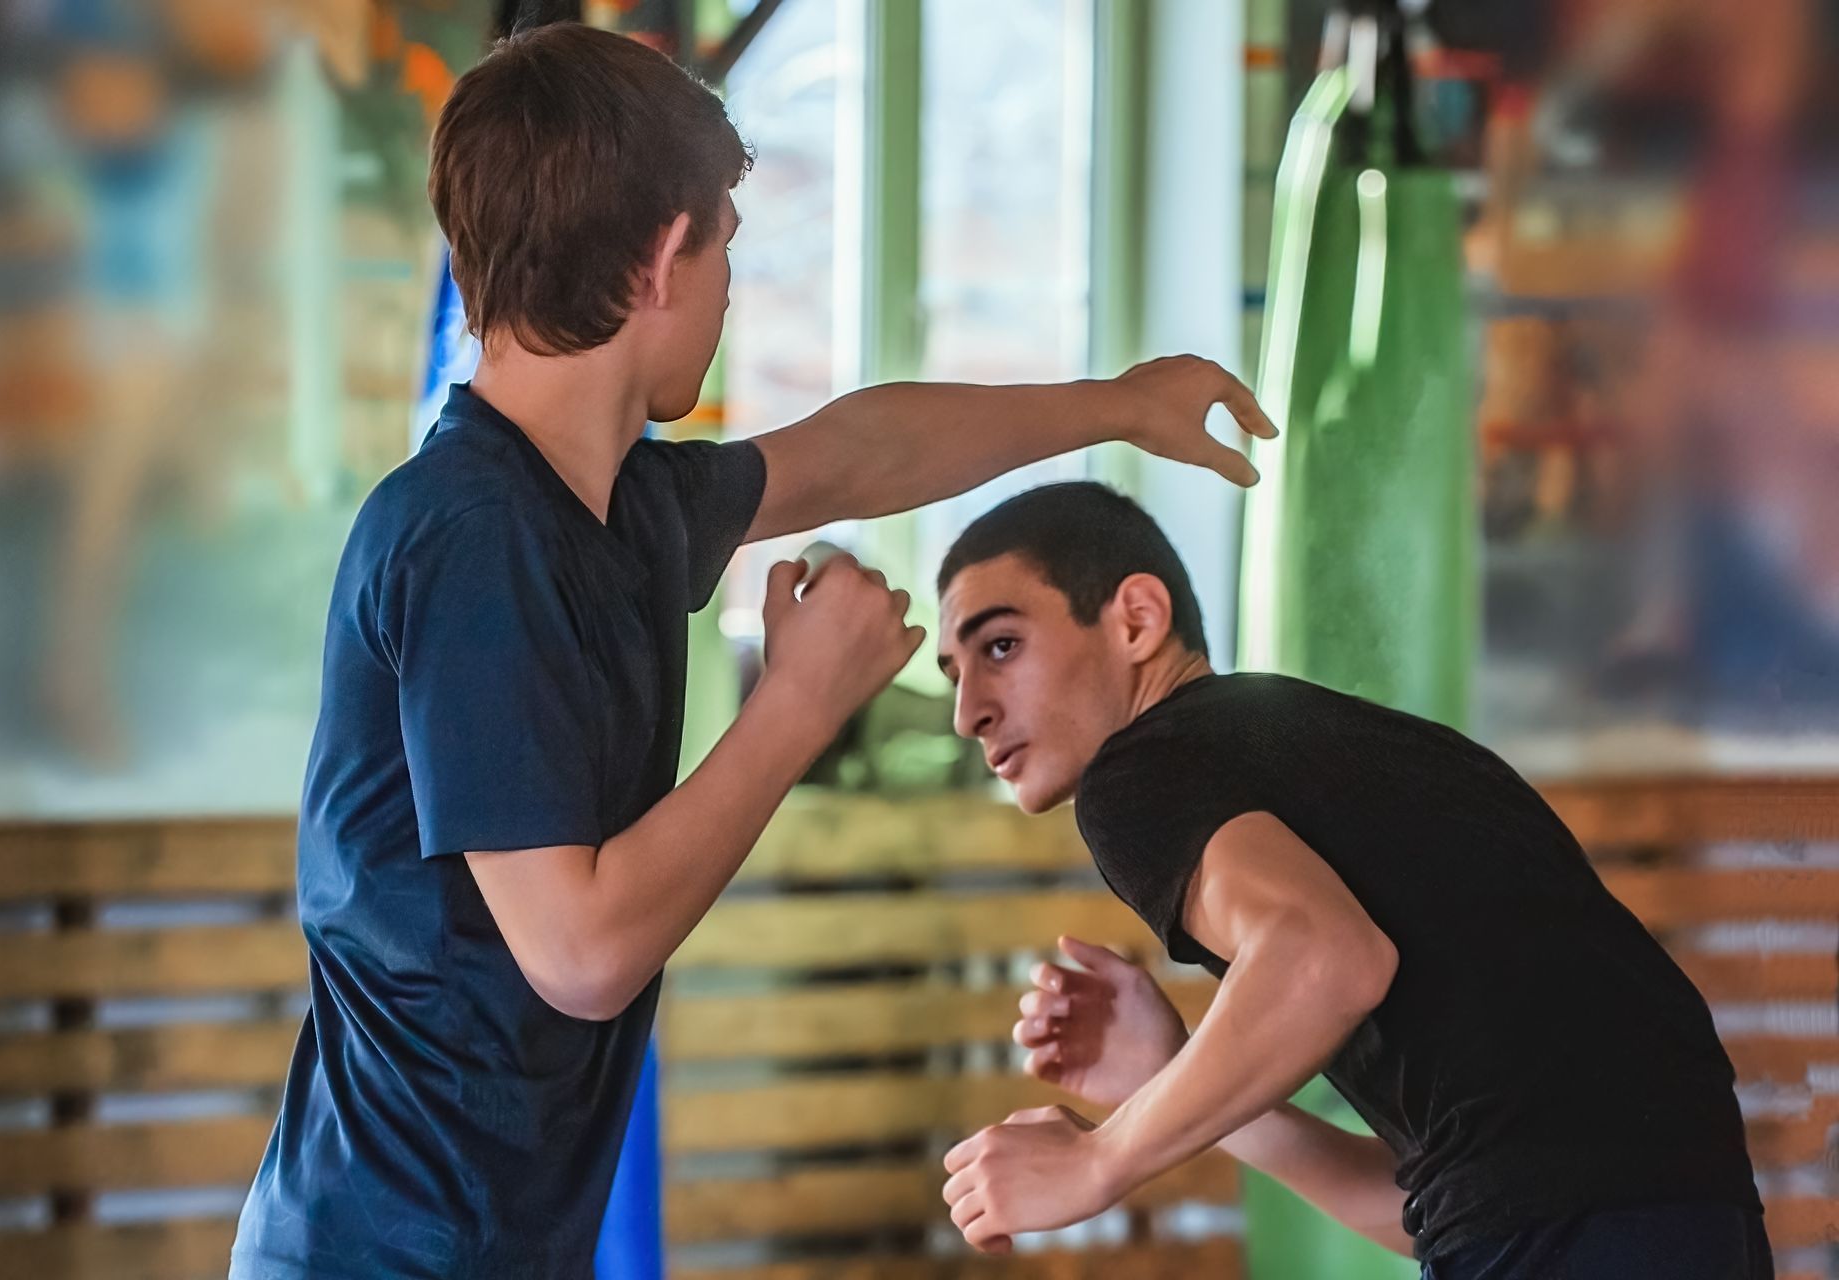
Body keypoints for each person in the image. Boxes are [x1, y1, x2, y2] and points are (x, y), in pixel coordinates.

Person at [228, 23, 1274, 1280]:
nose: (732, 288)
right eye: (727, 243)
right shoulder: (473, 535)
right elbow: (582, 951)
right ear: (667, 254)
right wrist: (797, 702)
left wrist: (1114, 405)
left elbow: (859, 452)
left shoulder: (612, 510)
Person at [932, 482, 1769, 1279]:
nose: (968, 710)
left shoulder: (1140, 774)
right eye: (953, 673)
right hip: (1696, 1222)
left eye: (1000, 647)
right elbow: (1442, 1201)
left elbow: (1326, 959)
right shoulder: (1368, 754)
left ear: (1137, 620)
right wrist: (1167, 1073)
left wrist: (1097, 1160)